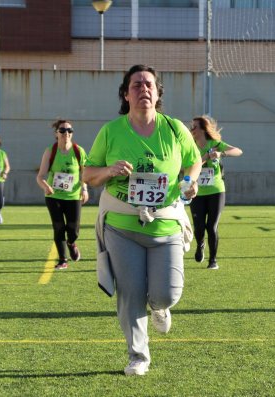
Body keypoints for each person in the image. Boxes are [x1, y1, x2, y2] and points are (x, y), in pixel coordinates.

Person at [83, 64, 202, 376]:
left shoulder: (175, 129)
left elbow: (194, 161)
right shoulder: (111, 131)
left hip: (165, 224)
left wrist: (190, 181)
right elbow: (88, 173)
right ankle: (138, 356)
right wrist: (108, 171)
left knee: (168, 292)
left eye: (149, 84)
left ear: (158, 92)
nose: (143, 90)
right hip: (121, 227)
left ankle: (160, 306)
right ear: (126, 94)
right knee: (131, 293)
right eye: (136, 85)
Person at [189, 115, 243, 270]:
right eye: (191, 127)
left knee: (211, 226)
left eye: (194, 127)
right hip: (197, 192)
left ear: (203, 129)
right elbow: (189, 165)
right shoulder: (191, 147)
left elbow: (238, 151)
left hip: (216, 190)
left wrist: (221, 153)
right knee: (199, 227)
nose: (191, 129)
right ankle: (200, 244)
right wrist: (206, 156)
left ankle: (213, 260)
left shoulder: (215, 144)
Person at [37, 119, 89, 270]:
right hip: (54, 197)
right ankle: (62, 260)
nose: (66, 133)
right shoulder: (50, 151)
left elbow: (84, 172)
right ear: (56, 133)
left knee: (73, 230)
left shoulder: (79, 151)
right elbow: (40, 176)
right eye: (62, 130)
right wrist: (46, 186)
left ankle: (71, 243)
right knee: (59, 227)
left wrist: (84, 189)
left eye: (69, 130)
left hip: (73, 196)